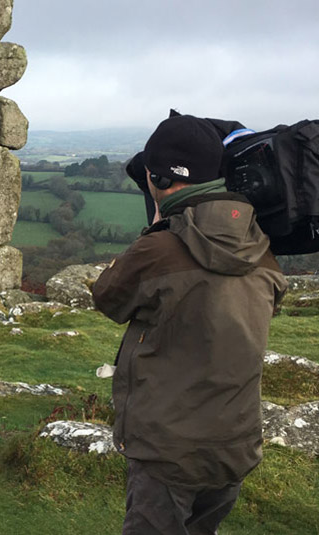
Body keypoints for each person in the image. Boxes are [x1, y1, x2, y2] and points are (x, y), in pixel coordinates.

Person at [92, 115, 288, 534]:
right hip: (234, 447)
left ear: (156, 177)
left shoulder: (159, 249)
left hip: (168, 449)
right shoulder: (259, 246)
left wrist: (158, 227)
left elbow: (107, 297)